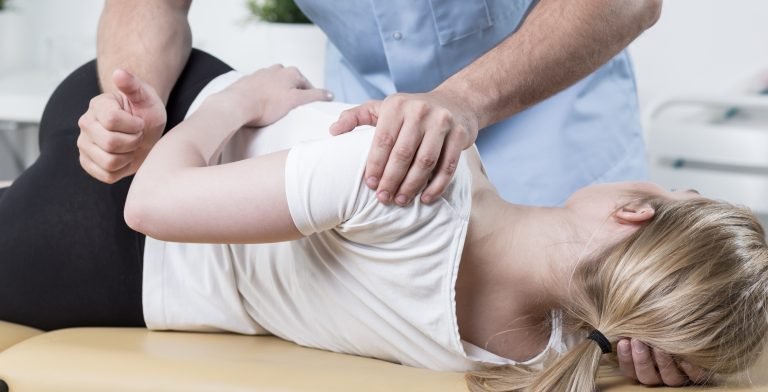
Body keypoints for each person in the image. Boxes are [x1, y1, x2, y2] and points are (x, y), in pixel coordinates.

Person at [1, 52, 766, 391]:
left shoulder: (414, 180)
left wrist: (251, 97)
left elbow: (149, 207)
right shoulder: (548, 355)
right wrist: (665, 355)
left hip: (117, 217)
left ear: (635, 214)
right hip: (130, 210)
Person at [83, 3, 673, 382]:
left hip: (552, 123)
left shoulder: (603, 234)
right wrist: (135, 104)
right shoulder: (360, 178)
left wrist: (681, 314)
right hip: (361, 172)